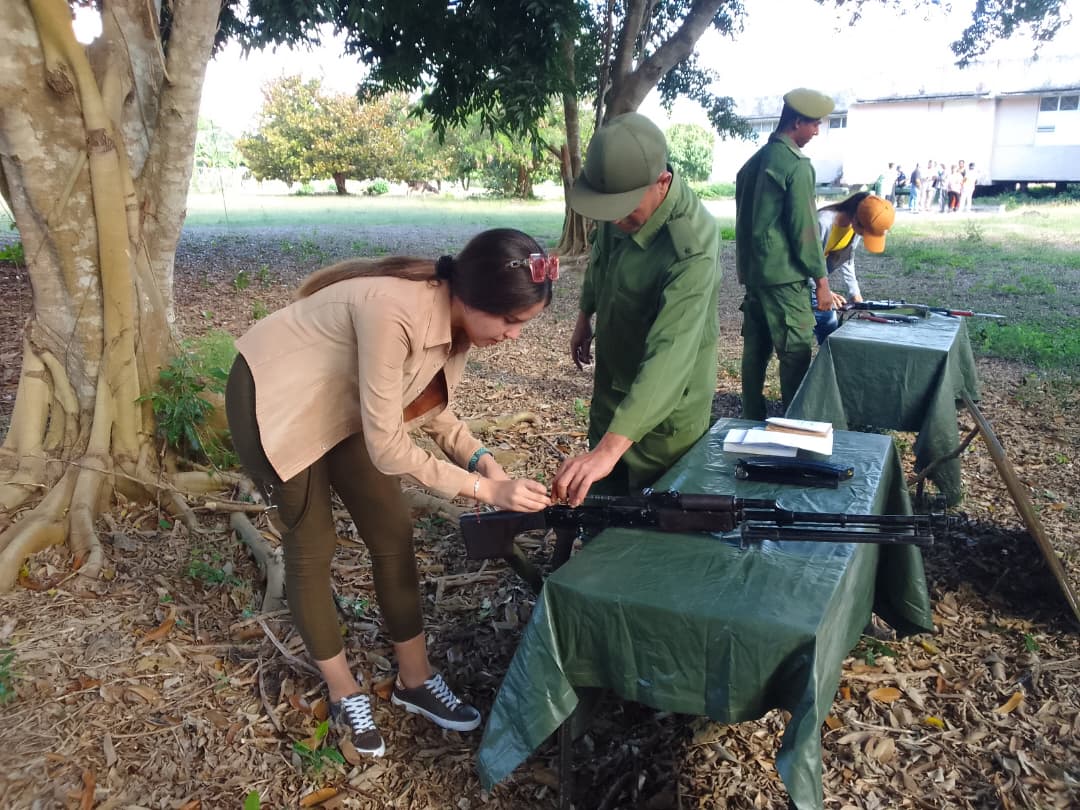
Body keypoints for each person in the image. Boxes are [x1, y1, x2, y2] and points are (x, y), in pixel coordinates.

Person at [225, 229, 554, 757]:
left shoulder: (457, 326)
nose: (514, 335)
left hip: (341, 400)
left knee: (392, 532)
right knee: (312, 544)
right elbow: (389, 448)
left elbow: (432, 408)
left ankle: (414, 680)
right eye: (511, 321)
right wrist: (482, 489)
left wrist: (484, 462)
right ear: (473, 297)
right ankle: (343, 690)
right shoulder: (394, 312)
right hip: (275, 398)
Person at [552, 112, 721, 507]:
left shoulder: (691, 246)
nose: (616, 220)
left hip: (666, 413)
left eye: (627, 210)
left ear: (662, 182)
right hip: (613, 384)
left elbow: (670, 355)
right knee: (599, 506)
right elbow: (601, 260)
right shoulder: (620, 206)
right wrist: (584, 315)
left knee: (653, 517)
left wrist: (609, 451)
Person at [734, 87, 838, 420]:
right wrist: (822, 282)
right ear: (796, 123)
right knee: (795, 351)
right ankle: (795, 424)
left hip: (755, 276)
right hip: (784, 278)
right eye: (814, 124)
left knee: (756, 349)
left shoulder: (754, 163)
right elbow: (804, 228)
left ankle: (751, 416)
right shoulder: (796, 165)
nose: (817, 131)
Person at [812, 192, 897, 343]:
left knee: (830, 319)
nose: (864, 236)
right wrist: (823, 289)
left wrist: (854, 293)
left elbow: (847, 259)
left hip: (815, 279)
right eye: (866, 233)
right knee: (828, 319)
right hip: (798, 278)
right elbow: (804, 259)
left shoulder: (854, 228)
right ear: (857, 219)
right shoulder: (823, 222)